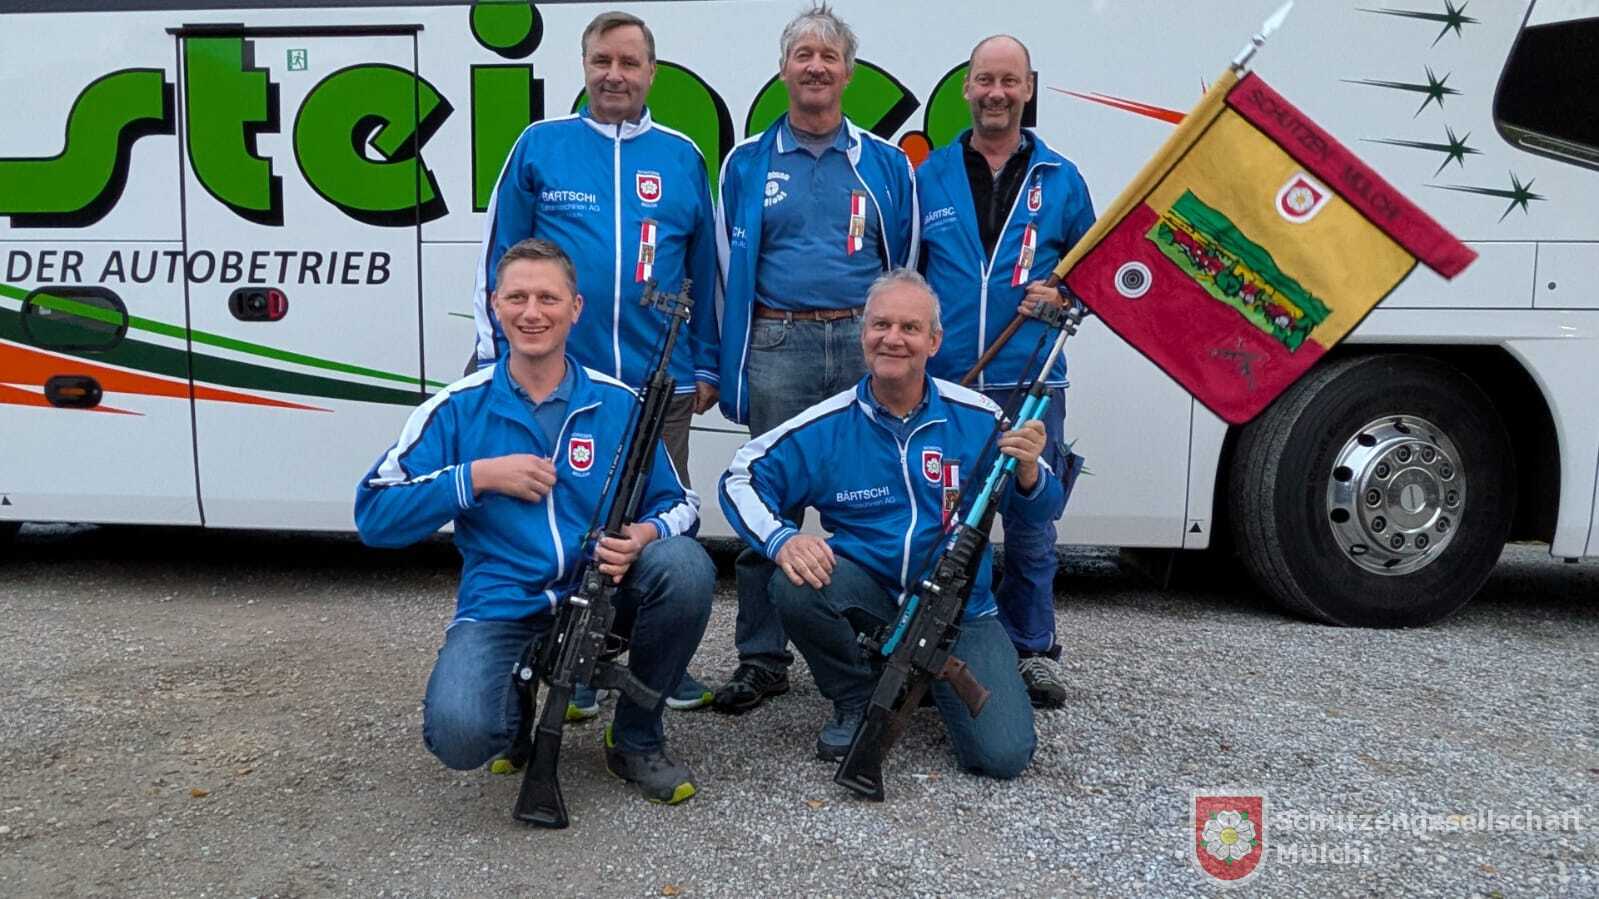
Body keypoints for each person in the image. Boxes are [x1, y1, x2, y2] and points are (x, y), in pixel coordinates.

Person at [359, 238, 715, 806]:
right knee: (461, 736)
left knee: (686, 567)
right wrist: (476, 477)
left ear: (575, 308)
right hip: (502, 604)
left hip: (602, 594)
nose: (532, 313)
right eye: (517, 297)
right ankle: (516, 702)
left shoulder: (619, 404)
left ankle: (637, 737)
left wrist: (644, 535)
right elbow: (375, 514)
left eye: (548, 298)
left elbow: (682, 503)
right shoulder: (456, 407)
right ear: (495, 305)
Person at [470, 10, 720, 714]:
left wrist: (706, 364)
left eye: (628, 63)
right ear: (583, 67)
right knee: (566, 523)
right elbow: (499, 259)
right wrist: (496, 357)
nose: (614, 75)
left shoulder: (681, 156)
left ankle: (657, 663)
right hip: (560, 387)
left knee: (662, 526)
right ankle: (569, 660)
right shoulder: (540, 145)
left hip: (658, 384)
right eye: (601, 61)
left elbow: (707, 270)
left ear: (651, 73)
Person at [718, 269, 1062, 776]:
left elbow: (1038, 508)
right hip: (869, 598)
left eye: (910, 328)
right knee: (796, 583)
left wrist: (1030, 471)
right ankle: (856, 698)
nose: (893, 339)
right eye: (881, 325)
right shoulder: (828, 423)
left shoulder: (979, 416)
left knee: (1003, 757)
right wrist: (782, 539)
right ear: (863, 334)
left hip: (960, 612)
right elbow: (740, 475)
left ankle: (924, 683)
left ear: (934, 342)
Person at [712, 2, 919, 714]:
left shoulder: (886, 164)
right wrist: (728, 365)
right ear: (782, 70)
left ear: (849, 72)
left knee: (877, 503)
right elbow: (723, 271)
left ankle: (874, 648)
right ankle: (761, 657)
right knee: (767, 502)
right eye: (803, 54)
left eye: (829, 56)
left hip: (866, 349)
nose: (816, 67)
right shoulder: (745, 162)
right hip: (779, 344)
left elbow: (906, 266)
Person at [915, 34, 1093, 709]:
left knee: (1029, 523)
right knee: (944, 520)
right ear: (966, 87)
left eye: (1009, 81)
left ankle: (1032, 649)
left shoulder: (1061, 177)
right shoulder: (930, 175)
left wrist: (1065, 296)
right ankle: (939, 644)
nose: (996, 92)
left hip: (1031, 381)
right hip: (950, 384)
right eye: (985, 80)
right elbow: (906, 275)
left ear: (1027, 89)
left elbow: (1097, 278)